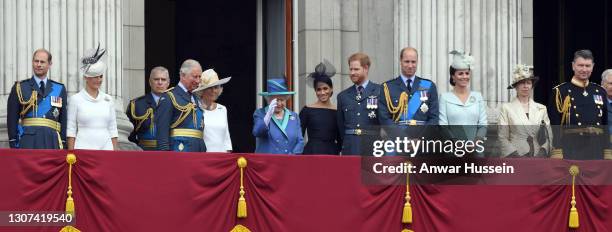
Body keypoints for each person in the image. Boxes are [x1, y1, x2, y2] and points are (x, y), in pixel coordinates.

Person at [548, 49, 609, 160]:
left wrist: (607, 150)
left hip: (596, 148)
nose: (584, 69)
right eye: (580, 65)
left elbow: (605, 124)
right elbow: (555, 124)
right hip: (571, 148)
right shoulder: (561, 91)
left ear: (593, 67)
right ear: (573, 66)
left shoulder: (600, 91)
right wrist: (557, 149)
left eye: (587, 66)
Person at [6, 49, 67, 149]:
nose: (38, 65)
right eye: (36, 61)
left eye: (42, 62)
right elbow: (12, 118)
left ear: (50, 64)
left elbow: (63, 119)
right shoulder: (20, 87)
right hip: (28, 142)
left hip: (52, 141)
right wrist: (13, 142)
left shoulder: (59, 88)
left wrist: (63, 142)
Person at [66, 45, 118, 150]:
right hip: (83, 149)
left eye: (101, 76)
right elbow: (71, 129)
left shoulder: (108, 100)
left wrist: (115, 152)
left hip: (106, 149)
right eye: (95, 76)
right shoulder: (75, 99)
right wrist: (71, 153)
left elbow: (113, 128)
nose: (98, 80)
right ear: (86, 77)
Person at [498, 64, 552, 157]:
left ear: (532, 86)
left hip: (537, 156)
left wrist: (542, 152)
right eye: (522, 83)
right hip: (515, 156)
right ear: (516, 86)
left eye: (528, 83)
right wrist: (515, 155)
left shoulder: (541, 108)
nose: (525, 86)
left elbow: (549, 136)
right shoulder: (506, 108)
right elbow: (502, 137)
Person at [379, 47, 439, 126]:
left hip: (422, 136)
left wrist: (421, 136)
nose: (410, 66)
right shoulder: (387, 87)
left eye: (413, 62)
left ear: (417, 62)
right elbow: (384, 118)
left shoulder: (428, 85)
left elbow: (434, 118)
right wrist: (402, 136)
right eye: (406, 61)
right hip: (397, 136)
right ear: (400, 61)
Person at [156, 59, 206, 152]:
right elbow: (162, 133)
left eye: (199, 77)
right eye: (195, 77)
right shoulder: (169, 97)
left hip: (199, 152)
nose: (198, 80)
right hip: (179, 152)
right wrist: (164, 156)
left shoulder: (196, 98)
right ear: (183, 75)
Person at [337, 52, 381, 155]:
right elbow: (341, 127)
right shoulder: (343, 96)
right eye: (350, 69)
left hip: (373, 148)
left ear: (366, 68)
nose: (352, 73)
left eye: (356, 69)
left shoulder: (380, 91)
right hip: (350, 148)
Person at [438, 51, 487, 141]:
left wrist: (476, 142)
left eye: (467, 73)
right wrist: (458, 144)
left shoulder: (478, 96)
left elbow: (483, 124)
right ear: (453, 76)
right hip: (453, 149)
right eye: (460, 73)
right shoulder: (444, 97)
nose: (464, 76)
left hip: (476, 149)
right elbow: (443, 126)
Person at [299, 60, 342, 155]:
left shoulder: (338, 112)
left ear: (331, 89)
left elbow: (340, 138)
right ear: (315, 91)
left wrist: (336, 150)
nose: (322, 92)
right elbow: (298, 136)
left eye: (325, 88)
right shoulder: (307, 110)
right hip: (311, 154)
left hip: (332, 155)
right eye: (319, 89)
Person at [253, 78, 304, 154]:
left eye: (282, 100)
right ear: (269, 99)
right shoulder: (260, 113)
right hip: (267, 162)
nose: (279, 103)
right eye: (276, 100)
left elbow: (300, 141)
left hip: (288, 162)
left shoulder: (294, 116)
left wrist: (293, 156)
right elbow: (257, 132)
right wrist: (268, 115)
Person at [126, 66, 170, 150]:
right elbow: (129, 135)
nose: (160, 82)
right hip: (144, 152)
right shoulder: (137, 104)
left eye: (163, 80)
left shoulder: (176, 105)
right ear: (150, 82)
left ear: (168, 83)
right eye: (156, 79)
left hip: (169, 152)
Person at [193, 69, 233, 152]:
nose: (214, 91)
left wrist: (227, 156)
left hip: (222, 158)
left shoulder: (222, 109)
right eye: (210, 88)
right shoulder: (195, 109)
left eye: (216, 87)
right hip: (203, 158)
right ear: (202, 90)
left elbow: (226, 138)